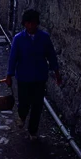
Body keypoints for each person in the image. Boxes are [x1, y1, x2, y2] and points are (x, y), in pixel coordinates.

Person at [5, 9, 61, 141]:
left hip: (39, 77)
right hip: (23, 77)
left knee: (37, 105)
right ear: (24, 24)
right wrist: (9, 75)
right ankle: (22, 116)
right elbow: (13, 58)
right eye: (28, 23)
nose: (31, 26)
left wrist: (57, 73)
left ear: (37, 23)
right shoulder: (18, 39)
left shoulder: (44, 38)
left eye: (33, 23)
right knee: (24, 102)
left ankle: (33, 130)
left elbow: (51, 56)